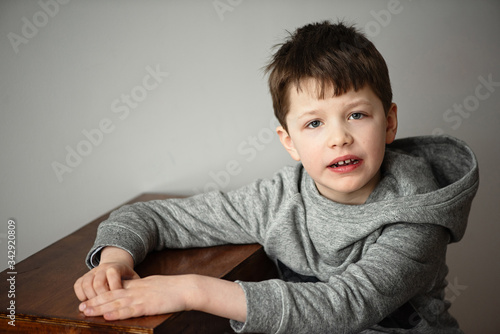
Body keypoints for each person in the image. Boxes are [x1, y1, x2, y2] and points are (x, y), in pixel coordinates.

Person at [73, 21, 479, 333]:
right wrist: (114, 259)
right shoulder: (279, 200)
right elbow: (155, 218)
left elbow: (345, 306)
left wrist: (191, 290)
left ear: (389, 123)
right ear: (289, 142)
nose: (339, 137)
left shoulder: (418, 216)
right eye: (314, 123)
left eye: (356, 115)